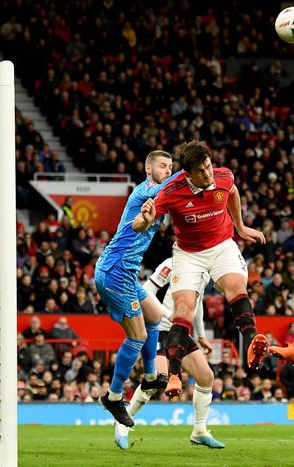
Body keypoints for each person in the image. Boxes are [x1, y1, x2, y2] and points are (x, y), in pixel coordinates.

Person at [133, 141, 268, 398]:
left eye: (208, 166)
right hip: (188, 254)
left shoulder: (223, 175)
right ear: (188, 174)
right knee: (182, 309)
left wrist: (240, 227)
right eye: (201, 171)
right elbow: (141, 223)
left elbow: (233, 191)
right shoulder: (172, 190)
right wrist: (145, 220)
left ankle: (252, 341)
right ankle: (174, 375)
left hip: (221, 246)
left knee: (236, 288)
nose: (208, 174)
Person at [94, 150, 174, 427]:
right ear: (148, 168)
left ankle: (151, 376)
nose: (167, 170)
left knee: (155, 315)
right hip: (115, 271)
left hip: (125, 274)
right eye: (163, 166)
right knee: (137, 335)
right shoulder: (147, 190)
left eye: (171, 166)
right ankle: (114, 396)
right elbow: (168, 187)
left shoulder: (158, 197)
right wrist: (190, 171)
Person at [114, 257, 225, 450]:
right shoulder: (171, 264)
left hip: (181, 332)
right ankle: (123, 422)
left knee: (206, 377)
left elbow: (196, 305)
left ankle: (199, 430)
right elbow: (146, 291)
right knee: (158, 379)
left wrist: (200, 335)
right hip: (160, 328)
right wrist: (168, 315)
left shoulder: (204, 270)